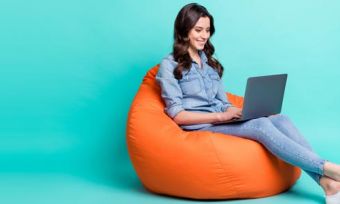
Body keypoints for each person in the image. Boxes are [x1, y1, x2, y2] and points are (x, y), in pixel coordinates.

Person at [156, 3, 340, 204]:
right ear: (184, 30)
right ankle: (331, 169)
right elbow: (178, 115)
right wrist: (220, 116)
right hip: (201, 125)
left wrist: (241, 111)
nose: (204, 36)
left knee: (280, 119)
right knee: (261, 126)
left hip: (221, 119)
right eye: (198, 30)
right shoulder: (169, 65)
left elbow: (222, 103)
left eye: (207, 30)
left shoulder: (209, 63)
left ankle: (328, 185)